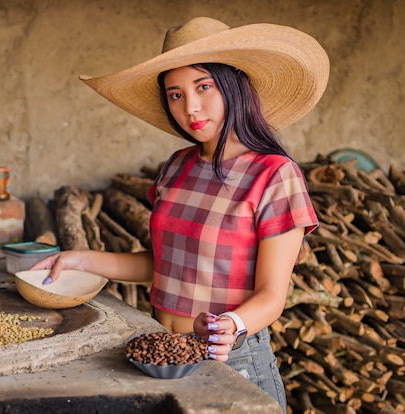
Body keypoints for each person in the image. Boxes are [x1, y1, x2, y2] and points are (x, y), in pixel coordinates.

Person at [31, 16, 329, 412]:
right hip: (159, 353)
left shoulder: (274, 174)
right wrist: (80, 259)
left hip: (230, 360)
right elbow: (166, 266)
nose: (189, 107)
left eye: (203, 87)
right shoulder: (177, 166)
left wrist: (232, 325)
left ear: (233, 86)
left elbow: (273, 295)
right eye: (175, 94)